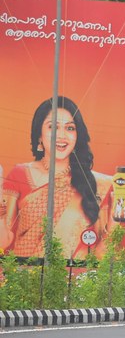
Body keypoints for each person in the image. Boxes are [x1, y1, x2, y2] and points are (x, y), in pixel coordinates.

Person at [0, 96, 114, 260]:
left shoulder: (99, 184)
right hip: (26, 276)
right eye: (53, 127)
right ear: (39, 134)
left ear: (77, 135)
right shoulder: (19, 174)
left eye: (70, 128)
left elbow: (102, 254)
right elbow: (3, 242)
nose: (61, 136)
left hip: (77, 279)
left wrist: (118, 215)